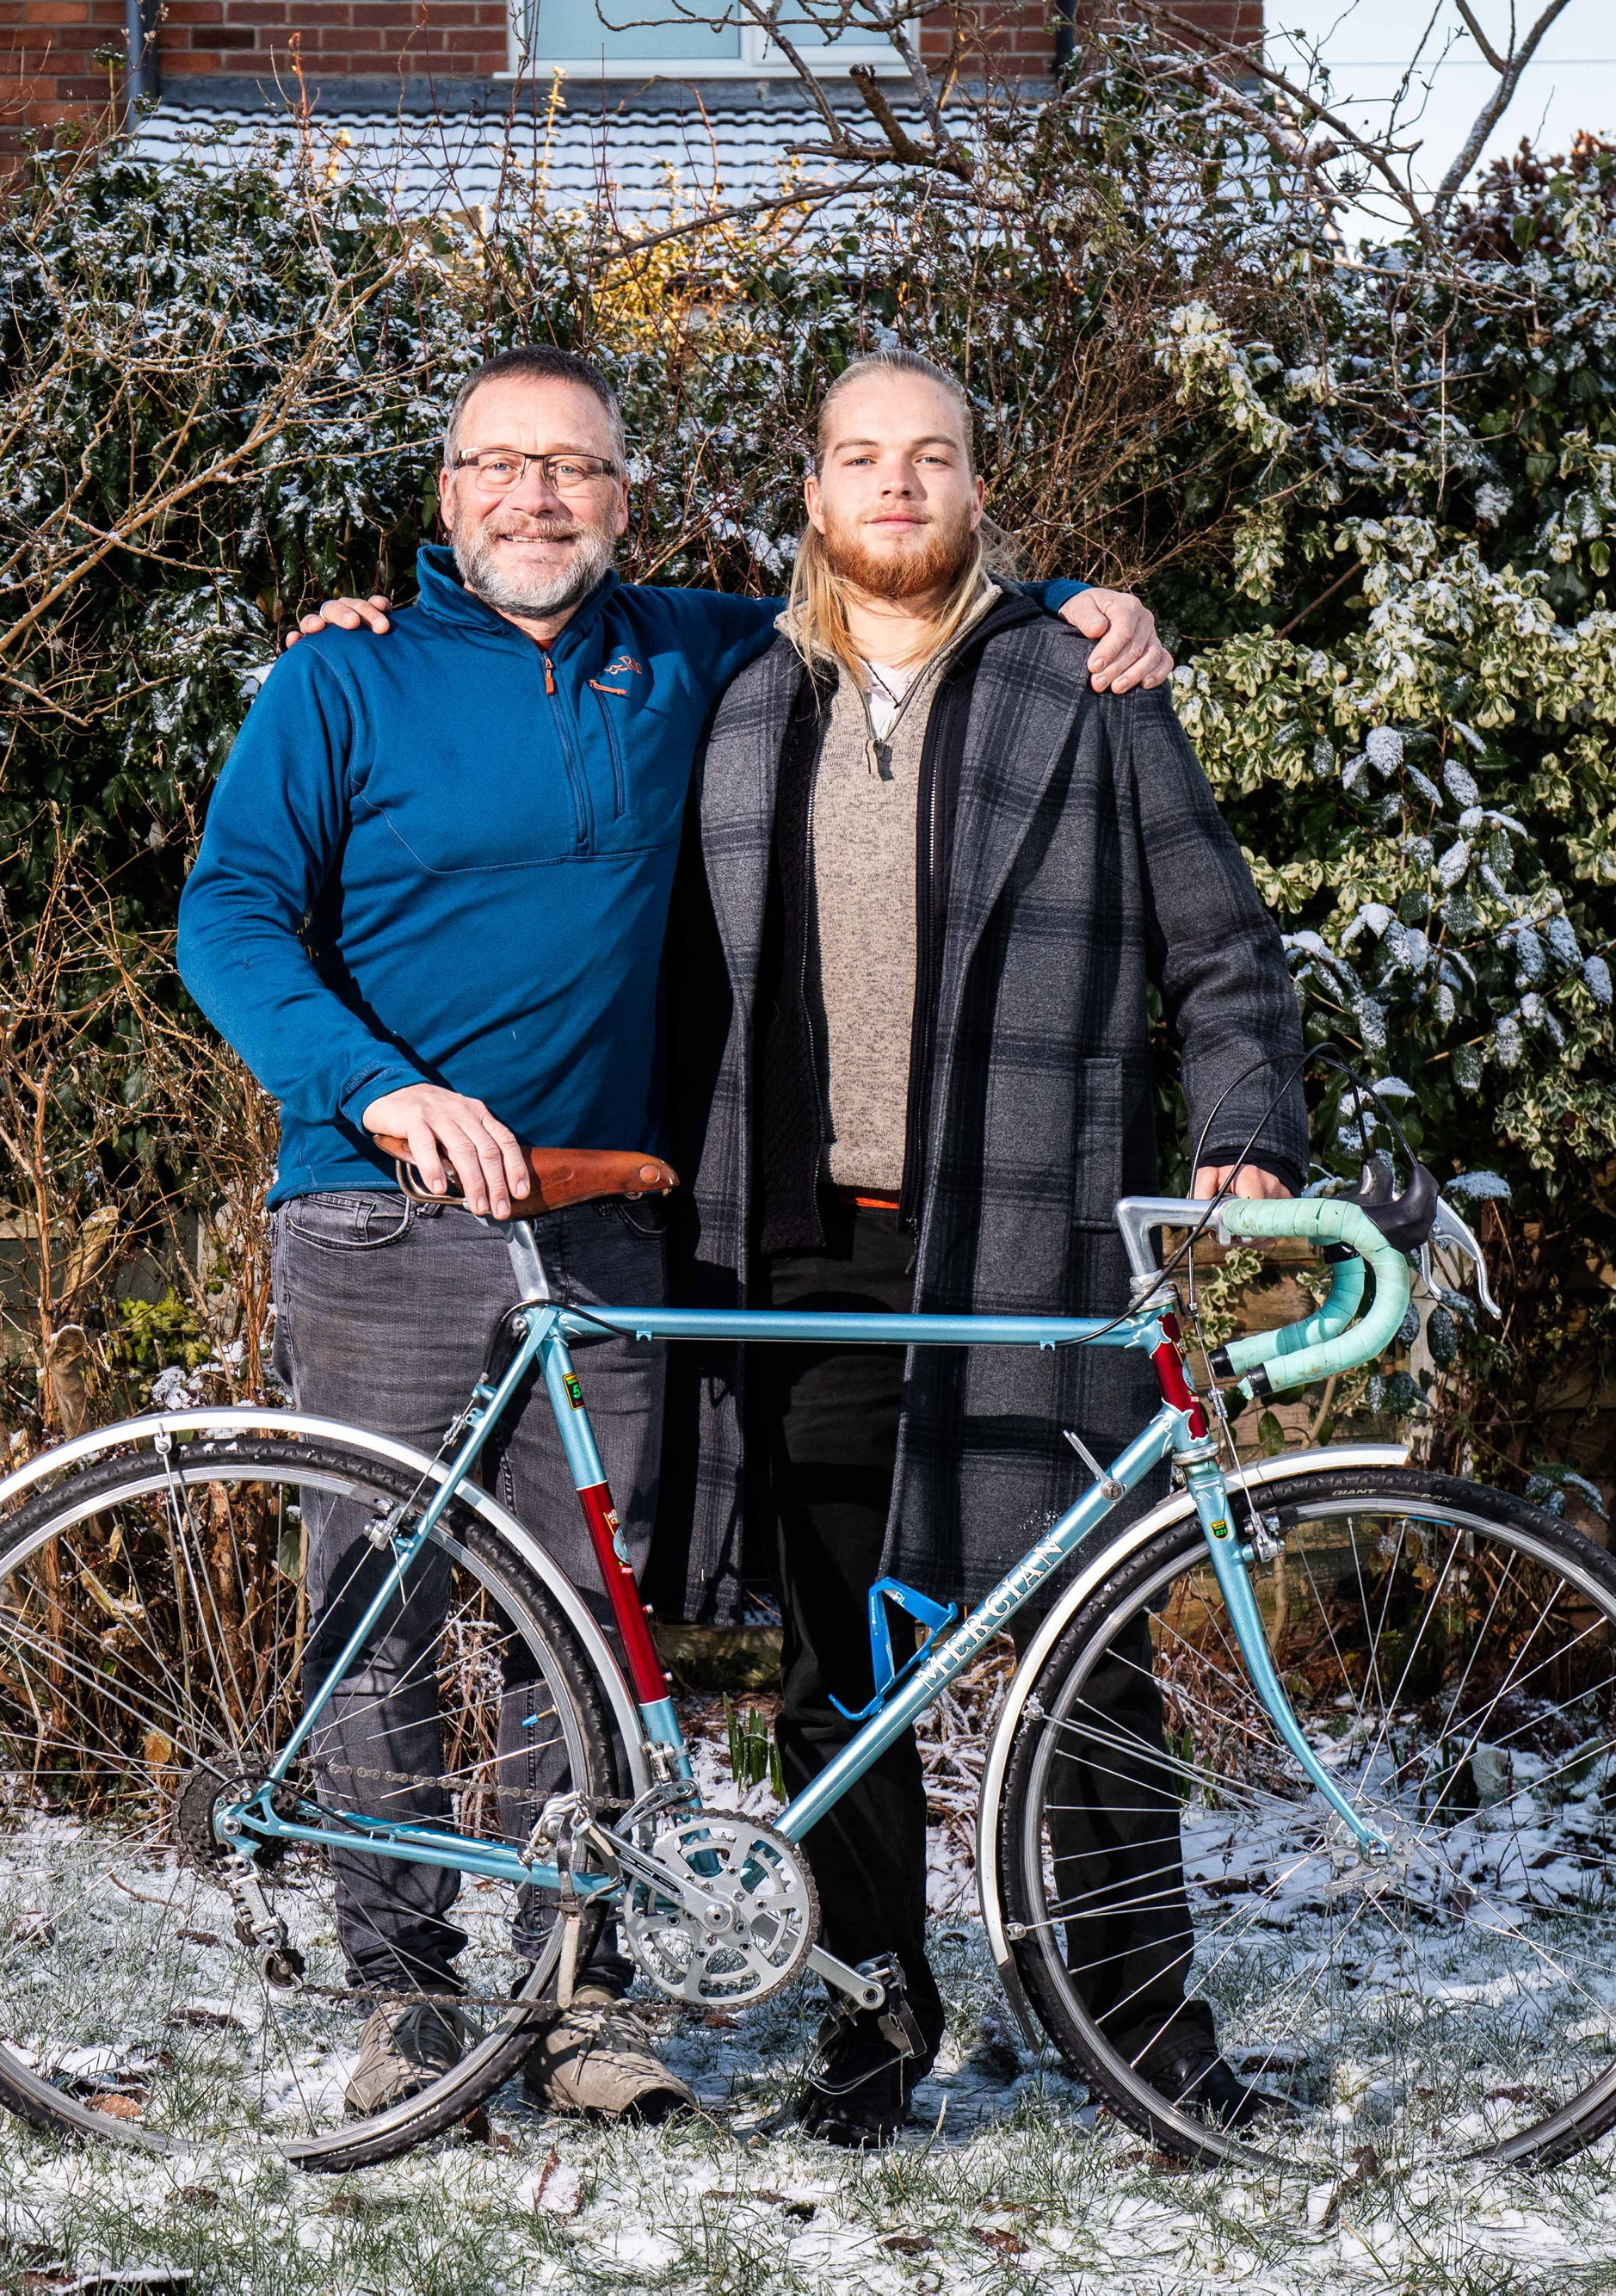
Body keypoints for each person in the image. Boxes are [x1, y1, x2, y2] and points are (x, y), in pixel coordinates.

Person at [176, 344, 1170, 2126]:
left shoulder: (697, 653)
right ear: (445, 493)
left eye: (572, 469)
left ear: (623, 499)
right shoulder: (338, 683)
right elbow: (230, 918)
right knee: (386, 1599)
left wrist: (1082, 607)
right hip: (377, 1203)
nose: (534, 498)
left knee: (594, 1620)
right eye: (497, 466)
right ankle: (406, 1995)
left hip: (612, 1218)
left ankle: (577, 1995)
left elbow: (895, 587)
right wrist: (381, 1090)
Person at [665, 348, 1307, 2143]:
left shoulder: (1085, 681)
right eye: (857, 456)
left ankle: (1146, 2044)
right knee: (829, 1675)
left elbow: (1225, 954)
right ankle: (872, 2031)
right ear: (809, 496)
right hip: (793, 1253)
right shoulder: (741, 702)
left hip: (1021, 1240)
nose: (892, 484)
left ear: (972, 492)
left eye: (926, 456)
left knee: (1083, 1655)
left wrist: (1245, 1136)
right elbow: (547, 615)